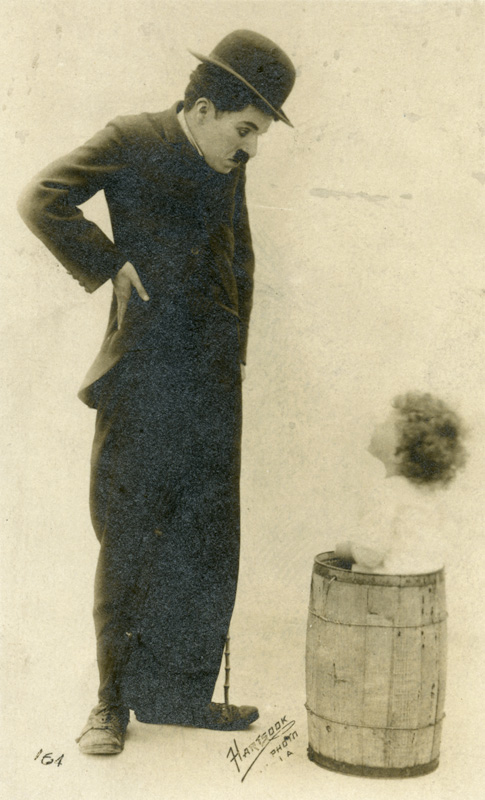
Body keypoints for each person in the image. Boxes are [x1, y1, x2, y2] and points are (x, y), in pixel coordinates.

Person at [17, 29, 296, 755]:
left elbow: (239, 252)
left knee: (205, 540)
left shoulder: (224, 157)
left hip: (210, 381)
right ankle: (109, 702)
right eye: (246, 130)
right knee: (130, 535)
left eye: (259, 134)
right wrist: (108, 264)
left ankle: (176, 695)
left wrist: (232, 358)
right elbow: (41, 197)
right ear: (202, 109)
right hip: (142, 378)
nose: (251, 149)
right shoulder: (132, 137)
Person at [335, 392, 467, 574]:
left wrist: (343, 549)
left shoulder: (386, 492)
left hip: (383, 592)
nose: (377, 424)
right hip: (422, 588)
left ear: (399, 454)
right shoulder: (425, 494)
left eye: (386, 424)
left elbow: (369, 553)